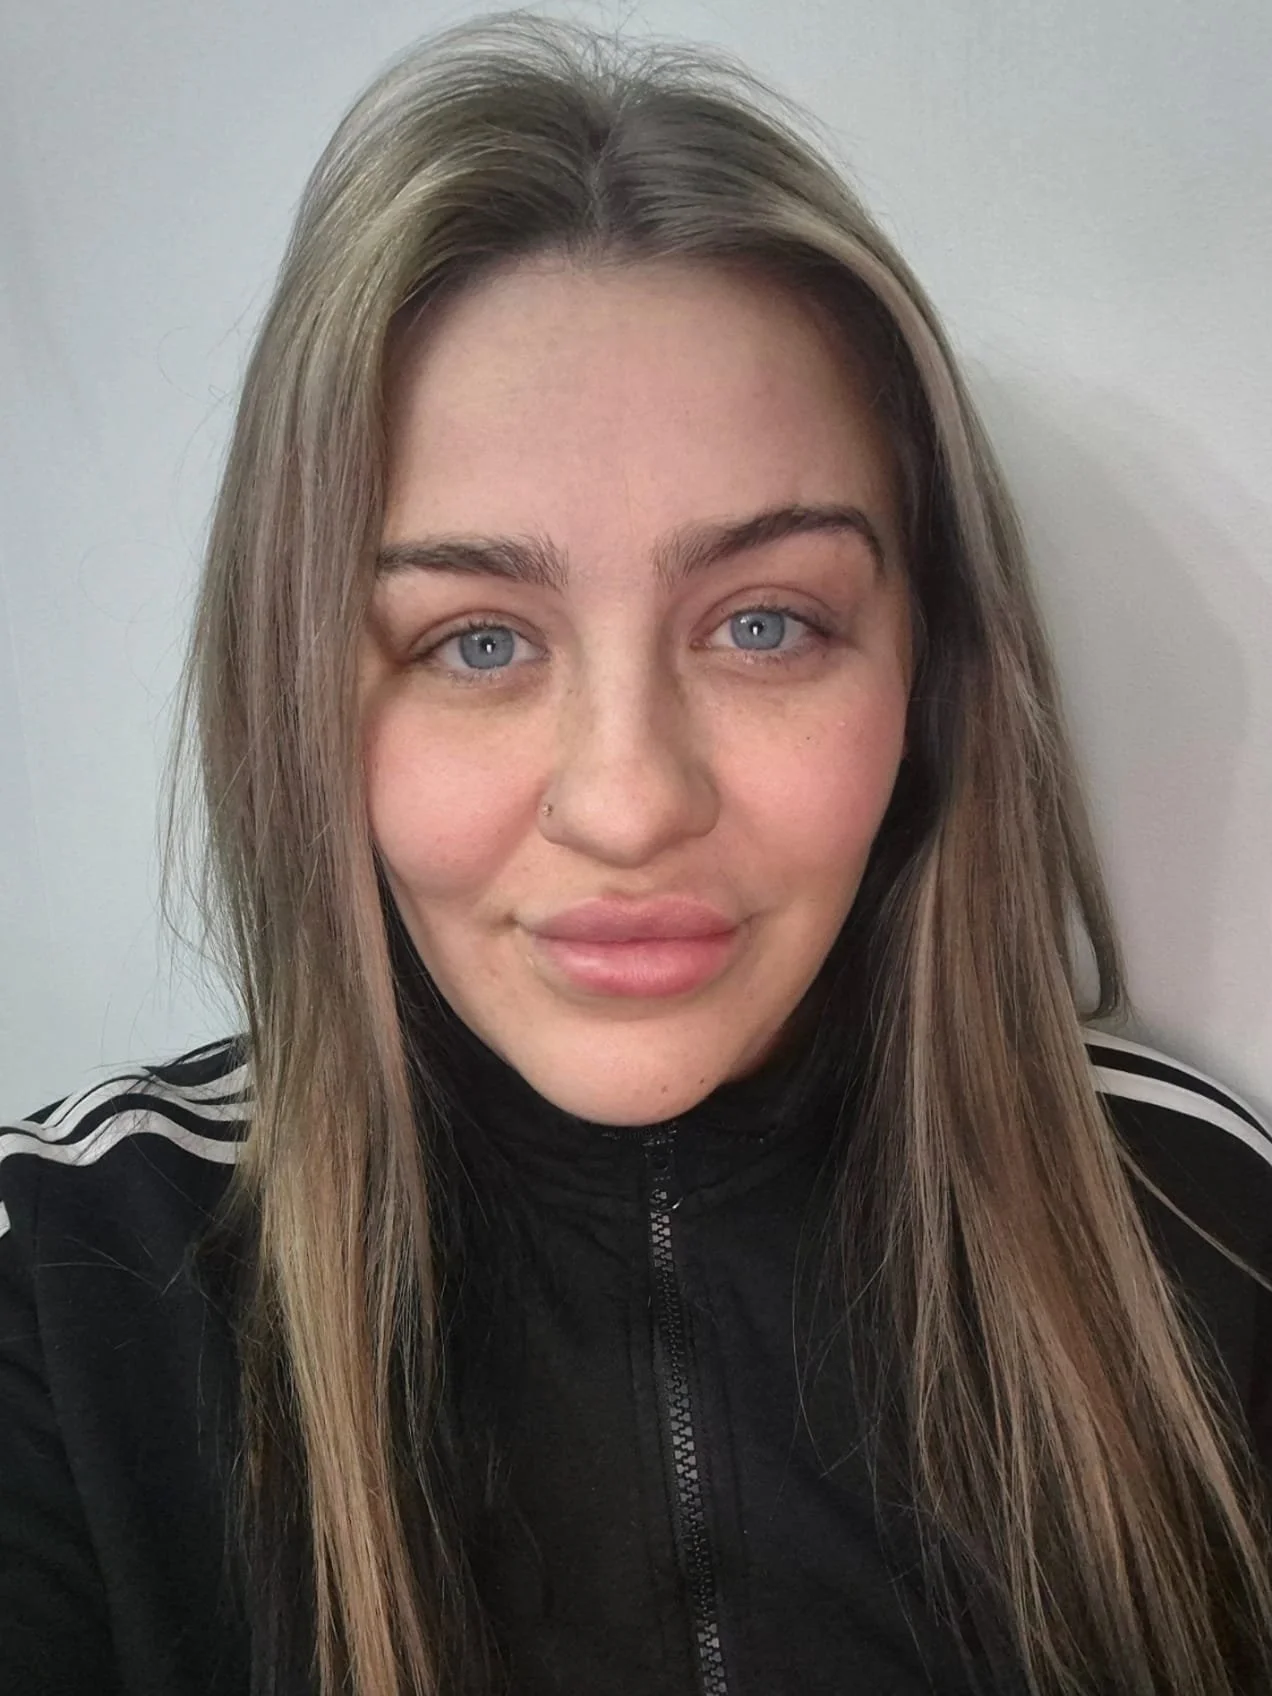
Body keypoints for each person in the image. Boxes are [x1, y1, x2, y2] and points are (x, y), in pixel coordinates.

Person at [2, 14, 1271, 1696]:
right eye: (475, 641)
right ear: (295, 699)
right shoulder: (68, 1282)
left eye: (766, 622)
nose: (626, 802)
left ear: (929, 677)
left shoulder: (1195, 1215)